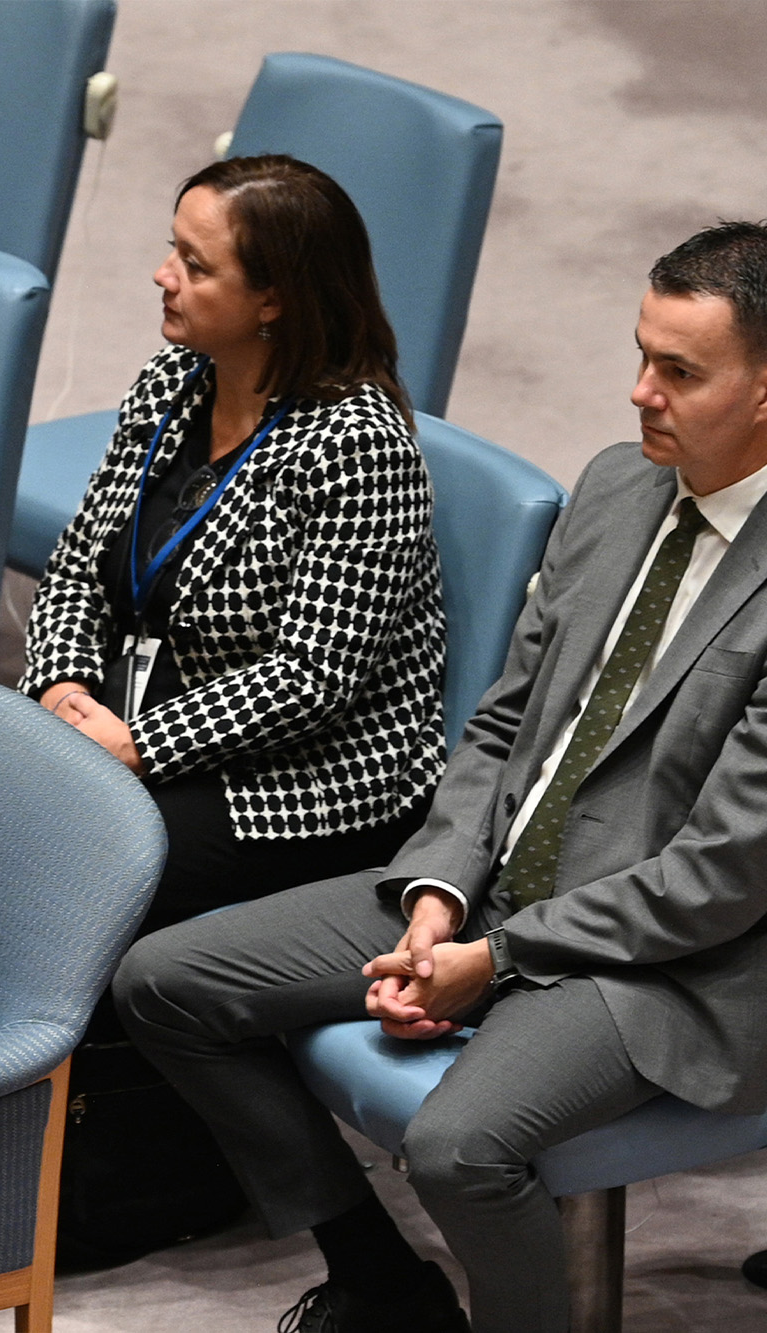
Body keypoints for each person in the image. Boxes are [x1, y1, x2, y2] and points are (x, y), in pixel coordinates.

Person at [116, 219, 767, 1333]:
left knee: (459, 1147)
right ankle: (381, 1282)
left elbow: (716, 878)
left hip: (666, 962)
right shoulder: (616, 486)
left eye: (676, 371)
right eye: (638, 355)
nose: (635, 393)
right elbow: (504, 722)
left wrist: (494, 957)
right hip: (498, 885)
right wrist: (440, 889)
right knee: (164, 982)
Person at [18, 155, 445, 1263]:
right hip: (149, 732)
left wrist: (136, 742)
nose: (160, 276)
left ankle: (164, 1168)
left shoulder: (357, 445)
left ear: (273, 298)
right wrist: (61, 685)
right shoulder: (172, 386)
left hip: (315, 779)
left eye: (192, 264)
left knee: (106, 880)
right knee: (5, 829)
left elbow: (315, 677)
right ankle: (35, 1132)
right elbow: (76, 573)